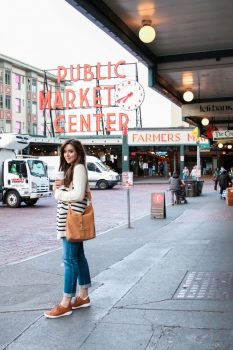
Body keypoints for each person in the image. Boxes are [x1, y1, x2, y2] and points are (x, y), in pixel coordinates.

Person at [44, 139, 91, 319]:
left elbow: (78, 195)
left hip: (70, 222)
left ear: (78, 152)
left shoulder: (78, 168)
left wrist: (58, 193)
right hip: (73, 221)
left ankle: (66, 303)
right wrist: (61, 187)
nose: (67, 154)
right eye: (65, 152)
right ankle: (83, 296)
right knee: (78, 257)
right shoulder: (73, 168)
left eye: (71, 151)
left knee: (69, 260)